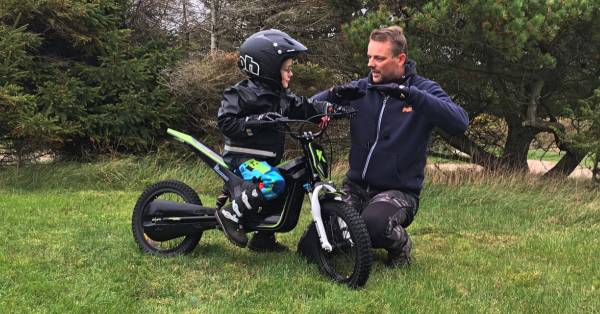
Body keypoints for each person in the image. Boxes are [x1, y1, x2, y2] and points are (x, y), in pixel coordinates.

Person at [299, 26, 469, 267]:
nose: (371, 63)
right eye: (369, 56)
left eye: (379, 58)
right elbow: (306, 109)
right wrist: (334, 93)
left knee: (373, 225)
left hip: (399, 193)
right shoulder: (361, 89)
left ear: (400, 59)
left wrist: (411, 96)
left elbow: (460, 122)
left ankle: (399, 244)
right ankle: (352, 236)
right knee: (311, 245)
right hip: (356, 187)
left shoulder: (422, 90)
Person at [215, 29, 336, 251]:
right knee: (273, 182)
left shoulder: (282, 97)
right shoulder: (238, 94)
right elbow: (226, 123)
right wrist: (257, 120)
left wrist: (327, 109)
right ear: (268, 69)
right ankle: (230, 214)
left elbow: (303, 106)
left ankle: (263, 239)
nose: (290, 74)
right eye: (287, 69)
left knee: (287, 183)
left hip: (264, 161)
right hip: (242, 160)